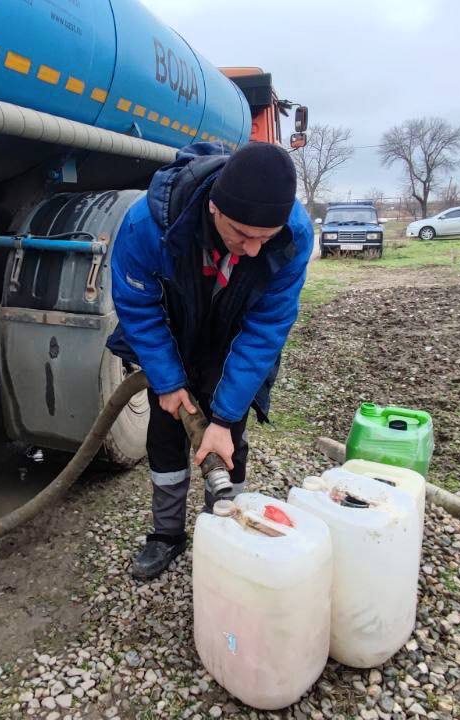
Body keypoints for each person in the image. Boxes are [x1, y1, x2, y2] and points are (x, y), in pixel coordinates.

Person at [106, 141, 313, 580]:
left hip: (234, 337)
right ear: (215, 207)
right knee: (166, 432)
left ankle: (224, 530)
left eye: (265, 238)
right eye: (242, 234)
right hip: (171, 332)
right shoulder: (148, 224)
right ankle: (167, 535)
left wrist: (223, 415)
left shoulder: (293, 234)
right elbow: (138, 308)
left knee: (228, 433)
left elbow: (266, 329)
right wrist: (166, 380)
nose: (254, 250)